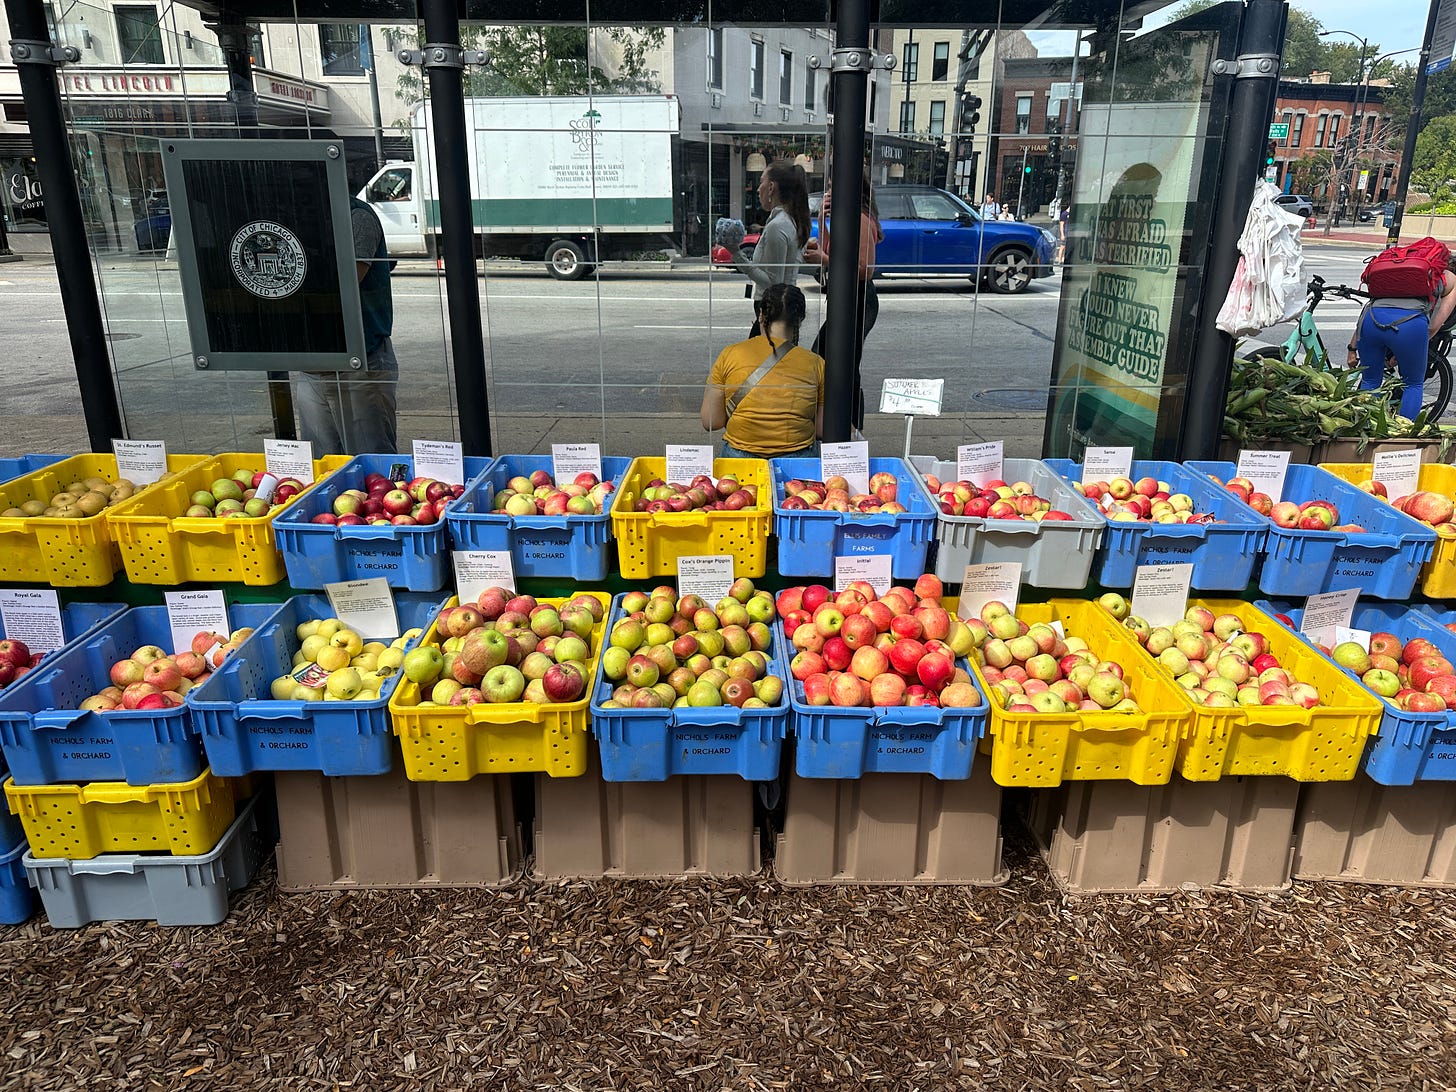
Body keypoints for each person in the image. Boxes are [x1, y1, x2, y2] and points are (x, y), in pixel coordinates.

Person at [293, 196, 398, 454]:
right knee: (321, 461)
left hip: (359, 360)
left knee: (372, 461)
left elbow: (342, 287)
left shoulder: (356, 216)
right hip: (312, 361)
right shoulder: (297, 215)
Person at [802, 166, 883, 431]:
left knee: (843, 364)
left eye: (832, 187)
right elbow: (831, 251)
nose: (827, 193)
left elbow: (864, 270)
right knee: (828, 359)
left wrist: (823, 259)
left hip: (859, 299)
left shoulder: (859, 219)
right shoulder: (844, 217)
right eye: (827, 187)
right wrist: (823, 222)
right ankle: (839, 425)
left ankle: (850, 426)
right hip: (844, 298)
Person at [701, 282, 823, 459]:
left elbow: (710, 421)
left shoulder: (730, 354)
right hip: (797, 459)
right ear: (799, 320)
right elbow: (821, 428)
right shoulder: (816, 363)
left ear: (761, 315)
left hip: (739, 458)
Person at [1347, 253, 1456, 420]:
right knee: (1413, 383)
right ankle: (1401, 436)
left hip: (1371, 320)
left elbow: (1370, 306)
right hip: (1408, 326)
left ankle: (1362, 428)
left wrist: (1352, 348)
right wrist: (1401, 354)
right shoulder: (1451, 279)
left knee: (1369, 381)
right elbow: (1434, 326)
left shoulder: (1402, 273)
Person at [733, 160, 812, 337]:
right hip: (779, 310)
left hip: (773, 311)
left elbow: (772, 282)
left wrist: (736, 254)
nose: (757, 189)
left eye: (761, 182)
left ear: (771, 187)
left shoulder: (778, 225)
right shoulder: (789, 220)